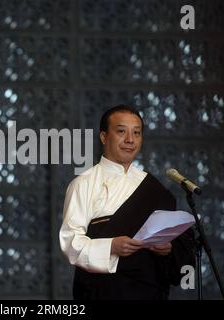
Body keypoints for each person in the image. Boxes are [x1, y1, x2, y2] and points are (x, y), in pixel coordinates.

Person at [59, 104, 195, 300]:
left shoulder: (154, 188)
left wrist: (168, 249)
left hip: (150, 292)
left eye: (137, 133)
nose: (130, 140)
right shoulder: (83, 183)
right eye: (121, 131)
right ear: (104, 137)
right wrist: (111, 247)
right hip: (103, 293)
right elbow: (71, 243)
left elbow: (177, 240)